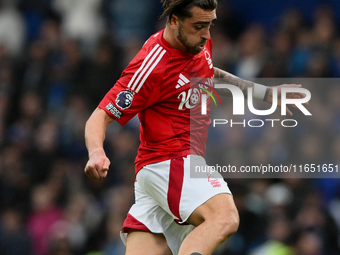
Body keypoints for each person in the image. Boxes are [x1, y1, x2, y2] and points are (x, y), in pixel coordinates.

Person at [84, 0, 306, 254]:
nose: (206, 35)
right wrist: (96, 152)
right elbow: (100, 115)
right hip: (170, 161)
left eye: (210, 25)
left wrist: (265, 93)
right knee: (224, 217)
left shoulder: (197, 41)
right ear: (174, 20)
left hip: (157, 174)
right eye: (199, 26)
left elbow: (209, 71)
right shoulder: (152, 66)